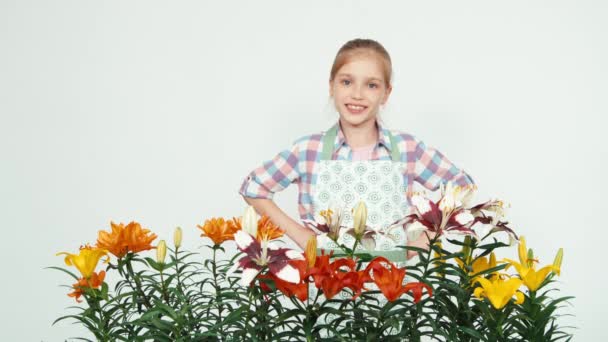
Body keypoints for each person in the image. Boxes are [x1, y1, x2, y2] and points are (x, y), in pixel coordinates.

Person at [239, 38, 474, 261]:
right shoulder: (308, 150)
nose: (357, 94)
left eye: (371, 85)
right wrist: (301, 235)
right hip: (327, 287)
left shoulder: (407, 149)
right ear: (331, 86)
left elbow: (462, 186)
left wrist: (425, 239)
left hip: (391, 292)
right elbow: (253, 187)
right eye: (346, 82)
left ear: (386, 94)